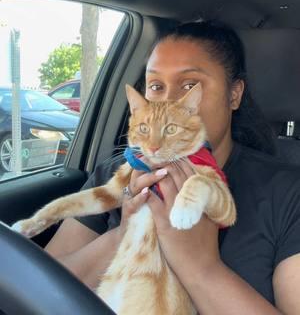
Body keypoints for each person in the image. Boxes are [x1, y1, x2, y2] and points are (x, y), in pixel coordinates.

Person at [45, 21, 300, 314]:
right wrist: (123, 234)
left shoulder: (288, 193)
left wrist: (202, 267)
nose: (167, 103)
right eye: (155, 86)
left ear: (234, 94)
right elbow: (38, 286)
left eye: (190, 85)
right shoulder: (115, 172)